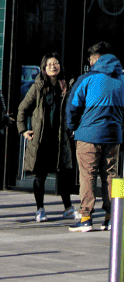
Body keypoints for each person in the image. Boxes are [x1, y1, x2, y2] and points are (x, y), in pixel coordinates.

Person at [65, 42, 124, 232]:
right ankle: (111, 217)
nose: (89, 62)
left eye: (90, 59)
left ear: (96, 58)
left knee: (88, 176)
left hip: (88, 134)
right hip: (113, 136)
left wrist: (72, 127)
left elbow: (72, 106)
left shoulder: (87, 79)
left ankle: (86, 218)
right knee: (110, 175)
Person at [16, 54, 75, 221]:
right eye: (49, 64)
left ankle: (68, 208)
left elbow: (76, 108)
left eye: (56, 63)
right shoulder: (38, 87)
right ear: (43, 68)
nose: (53, 66)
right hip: (42, 139)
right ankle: (40, 209)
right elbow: (22, 109)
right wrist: (23, 130)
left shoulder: (67, 86)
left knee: (63, 175)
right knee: (40, 176)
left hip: (60, 139)